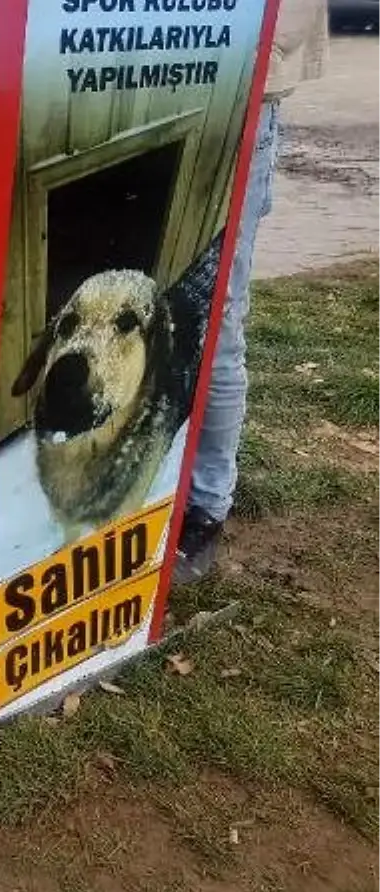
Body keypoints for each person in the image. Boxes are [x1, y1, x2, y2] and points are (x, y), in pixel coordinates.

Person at [174, 0, 330, 584]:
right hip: (147, 98)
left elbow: (284, 23)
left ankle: (206, 506)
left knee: (214, 323)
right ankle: (145, 494)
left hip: (235, 107)